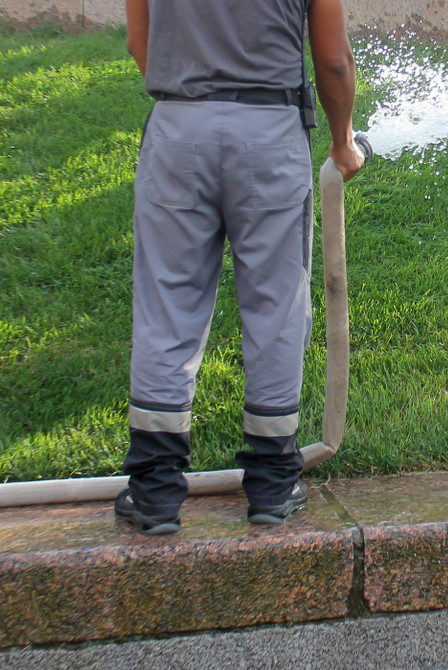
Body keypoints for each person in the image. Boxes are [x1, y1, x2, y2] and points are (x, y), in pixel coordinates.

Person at [116, 0, 365, 535]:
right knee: (276, 305)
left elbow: (141, 43)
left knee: (167, 305)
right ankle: (273, 483)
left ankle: (154, 490)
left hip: (176, 127)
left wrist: (192, 99)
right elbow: (334, 61)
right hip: (270, 133)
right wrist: (343, 144)